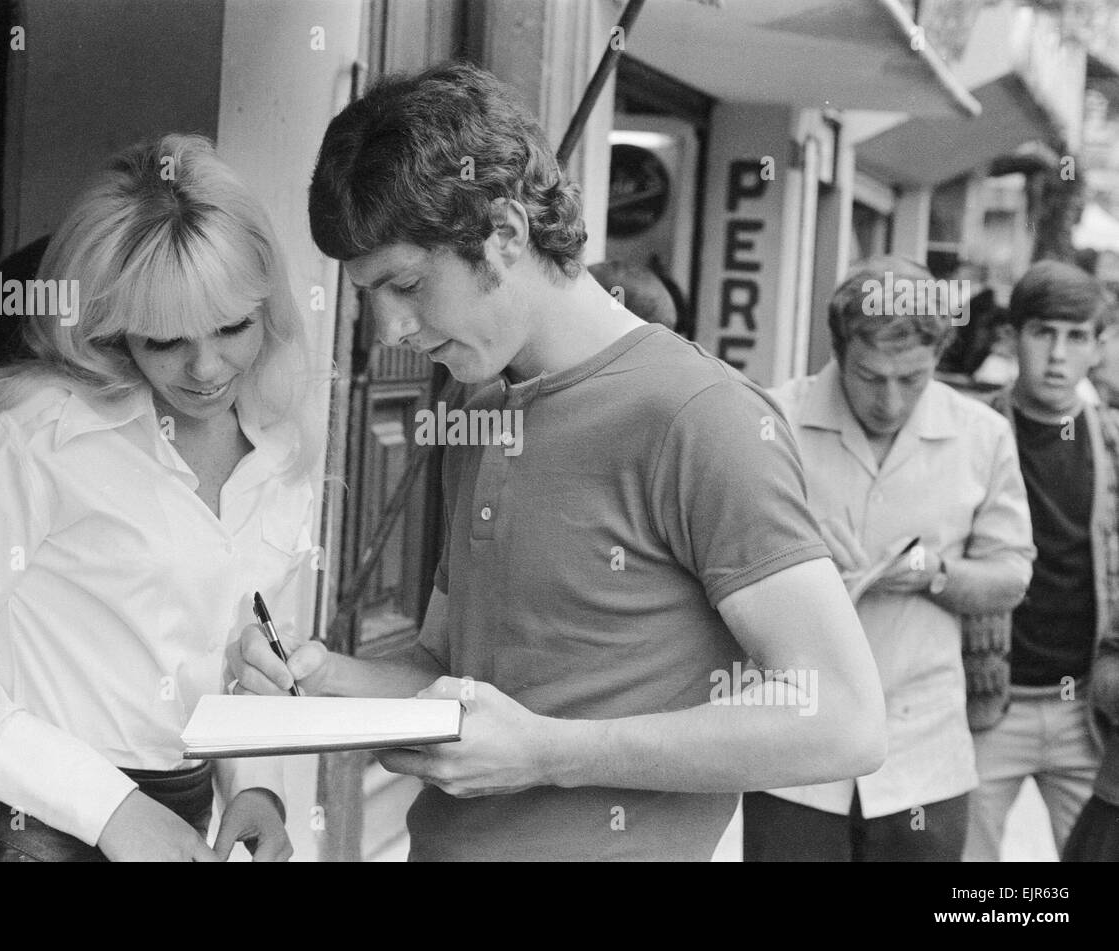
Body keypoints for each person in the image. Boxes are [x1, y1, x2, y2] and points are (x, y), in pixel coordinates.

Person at [231, 61, 886, 862]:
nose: (389, 327)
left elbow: (844, 716)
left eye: (406, 283)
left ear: (505, 234)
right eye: (370, 294)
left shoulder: (700, 417)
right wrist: (323, 675)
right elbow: (450, 673)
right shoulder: (480, 407)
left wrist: (549, 751)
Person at [0, 133, 319, 861]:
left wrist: (258, 785)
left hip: (183, 828)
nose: (206, 368)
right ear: (113, 326)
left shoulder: (280, 445)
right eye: (164, 341)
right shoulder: (29, 431)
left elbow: (254, 652)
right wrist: (112, 809)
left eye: (234, 327)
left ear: (269, 305)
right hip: (26, 834)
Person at [745, 257, 1035, 861]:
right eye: (870, 377)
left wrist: (938, 576)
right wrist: (796, 563)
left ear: (939, 359)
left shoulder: (982, 435)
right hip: (793, 752)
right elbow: (715, 569)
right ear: (836, 350)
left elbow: (1011, 576)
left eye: (913, 379)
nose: (890, 400)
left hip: (924, 753)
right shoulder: (771, 421)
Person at [965, 260, 1119, 861]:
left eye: (1076, 336)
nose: (1057, 355)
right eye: (1043, 332)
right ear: (1013, 336)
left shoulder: (1110, 443)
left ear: (1097, 346)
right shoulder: (972, 434)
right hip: (987, 707)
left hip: (1086, 711)